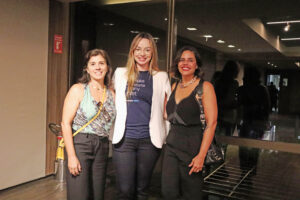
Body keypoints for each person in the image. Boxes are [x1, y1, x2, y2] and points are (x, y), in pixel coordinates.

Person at [112, 32, 171, 200]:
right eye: (138, 49)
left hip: (149, 141)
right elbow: (109, 98)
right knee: (125, 190)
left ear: (153, 52)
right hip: (124, 140)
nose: (142, 54)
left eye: (147, 50)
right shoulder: (120, 74)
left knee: (142, 190)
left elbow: (166, 110)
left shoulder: (161, 77)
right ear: (132, 51)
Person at [162, 46, 218, 200]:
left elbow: (211, 123)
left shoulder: (205, 87)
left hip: (192, 148)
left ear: (197, 65)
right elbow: (169, 115)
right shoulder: (174, 86)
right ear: (177, 64)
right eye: (181, 60)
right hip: (172, 146)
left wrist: (201, 155)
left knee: (191, 194)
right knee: (168, 193)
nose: (185, 63)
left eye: (190, 60)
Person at [61, 49, 116, 200]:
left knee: (97, 194)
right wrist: (71, 156)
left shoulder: (111, 93)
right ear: (87, 68)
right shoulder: (78, 89)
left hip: (103, 146)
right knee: (79, 195)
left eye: (101, 63)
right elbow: (65, 123)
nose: (97, 67)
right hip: (81, 144)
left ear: (107, 67)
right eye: (93, 64)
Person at [214, 60, 239, 137]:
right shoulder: (234, 83)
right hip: (228, 114)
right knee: (227, 137)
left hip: (218, 112)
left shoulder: (218, 81)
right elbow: (230, 99)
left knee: (217, 137)